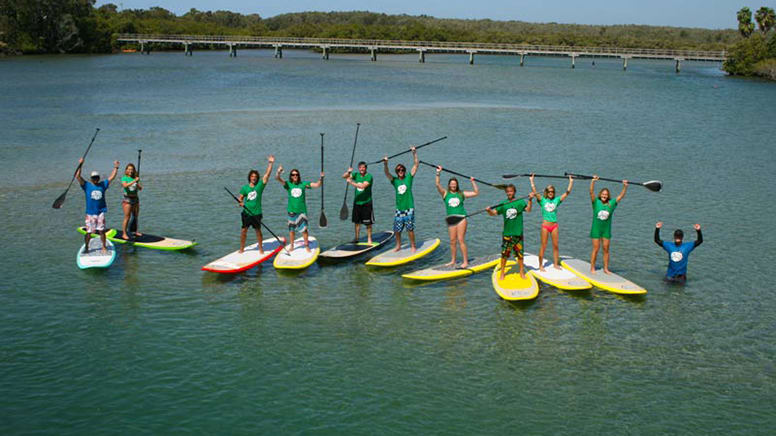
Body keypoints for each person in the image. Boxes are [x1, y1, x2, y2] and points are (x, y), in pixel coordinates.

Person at [487, 184, 534, 280]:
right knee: (504, 255)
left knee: (520, 255)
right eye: (507, 191)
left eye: (511, 191)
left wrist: (530, 199)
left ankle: (521, 272)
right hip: (507, 234)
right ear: (506, 193)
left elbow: (528, 210)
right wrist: (488, 211)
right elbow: (494, 213)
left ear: (514, 192)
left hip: (518, 233)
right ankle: (502, 272)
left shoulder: (520, 202)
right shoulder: (503, 204)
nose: (509, 193)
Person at [435, 166, 479, 268]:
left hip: (461, 218)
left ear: (457, 185)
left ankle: (465, 262)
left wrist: (472, 181)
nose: (453, 185)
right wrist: (438, 173)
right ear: (449, 185)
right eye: (452, 184)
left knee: (460, 240)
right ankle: (453, 260)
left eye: (455, 184)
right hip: (450, 219)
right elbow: (437, 184)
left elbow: (476, 192)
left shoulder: (461, 194)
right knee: (452, 241)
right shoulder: (445, 193)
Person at [530, 174, 573, 271]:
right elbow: (535, 192)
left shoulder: (557, 200)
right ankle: (540, 265)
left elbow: (567, 192)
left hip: (554, 226)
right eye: (549, 191)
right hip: (545, 226)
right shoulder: (542, 200)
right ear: (546, 192)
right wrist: (532, 181)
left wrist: (570, 182)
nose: (551, 193)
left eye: (552, 192)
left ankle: (556, 264)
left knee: (555, 245)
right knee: (544, 245)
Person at [76, 158, 119, 253]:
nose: (95, 179)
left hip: (100, 212)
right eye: (93, 178)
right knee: (89, 232)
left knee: (101, 231)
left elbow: (112, 177)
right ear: (91, 178)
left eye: (97, 177)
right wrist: (80, 164)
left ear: (99, 178)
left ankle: (104, 246)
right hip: (90, 213)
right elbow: (77, 176)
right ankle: (87, 247)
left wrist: (116, 167)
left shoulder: (103, 185)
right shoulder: (86, 185)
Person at [276, 165, 323, 252]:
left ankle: (306, 246)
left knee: (304, 230)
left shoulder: (303, 184)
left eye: (296, 174)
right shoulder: (288, 185)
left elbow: (317, 185)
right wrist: (278, 172)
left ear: (299, 176)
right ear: (291, 176)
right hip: (291, 211)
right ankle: (292, 246)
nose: (295, 176)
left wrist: (321, 179)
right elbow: (278, 178)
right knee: (291, 230)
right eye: (293, 175)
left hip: (301, 211)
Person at [383, 146, 419, 252]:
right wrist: (385, 163)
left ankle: (413, 246)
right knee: (397, 230)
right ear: (396, 172)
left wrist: (414, 153)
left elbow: (416, 165)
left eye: (402, 170)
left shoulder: (408, 178)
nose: (401, 171)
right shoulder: (394, 181)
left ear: (404, 171)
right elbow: (386, 173)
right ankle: (398, 246)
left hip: (409, 208)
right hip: (399, 209)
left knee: (410, 229)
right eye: (399, 170)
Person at [589, 175, 628, 274]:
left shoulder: (611, 204)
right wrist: (593, 181)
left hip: (606, 230)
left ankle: (606, 268)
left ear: (608, 196)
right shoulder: (596, 202)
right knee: (596, 249)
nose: (604, 195)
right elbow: (591, 192)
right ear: (600, 194)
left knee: (606, 249)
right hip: (596, 230)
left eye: (606, 194)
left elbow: (621, 196)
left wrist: (625, 186)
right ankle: (592, 267)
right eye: (603, 194)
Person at [238, 155, 274, 253]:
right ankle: (241, 248)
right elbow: (240, 198)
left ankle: (261, 248)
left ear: (257, 178)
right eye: (252, 176)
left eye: (255, 177)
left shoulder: (259, 186)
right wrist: (240, 202)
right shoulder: (245, 188)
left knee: (258, 231)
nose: (253, 178)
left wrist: (270, 163)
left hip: (257, 213)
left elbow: (267, 175)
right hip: (246, 213)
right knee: (243, 231)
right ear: (249, 177)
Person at [343, 161, 374, 244]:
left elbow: (363, 186)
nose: (362, 169)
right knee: (357, 222)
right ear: (358, 168)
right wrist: (349, 172)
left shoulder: (369, 177)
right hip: (357, 202)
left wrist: (351, 182)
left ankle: (369, 239)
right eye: (360, 167)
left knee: (368, 223)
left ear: (366, 168)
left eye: (363, 167)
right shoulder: (356, 174)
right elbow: (344, 176)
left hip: (367, 202)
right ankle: (356, 238)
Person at [120, 163, 142, 240]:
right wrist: (134, 181)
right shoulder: (124, 178)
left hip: (136, 199)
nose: (130, 171)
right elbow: (125, 185)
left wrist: (137, 183)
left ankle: (135, 231)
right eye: (129, 169)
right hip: (127, 199)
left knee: (135, 216)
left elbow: (140, 189)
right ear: (126, 170)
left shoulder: (135, 178)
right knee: (127, 217)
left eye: (132, 169)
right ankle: (124, 233)